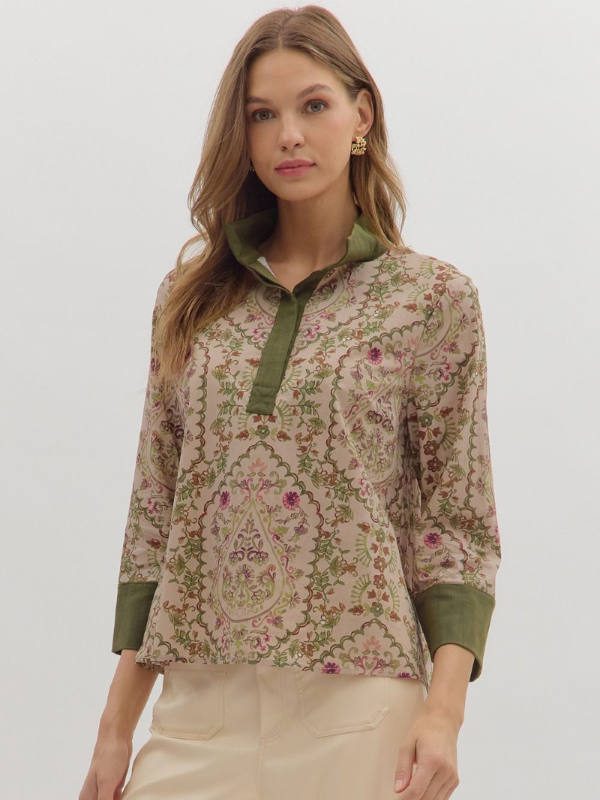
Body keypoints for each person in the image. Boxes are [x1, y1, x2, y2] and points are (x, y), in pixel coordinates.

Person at [79, 5, 501, 800]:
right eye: (262, 116)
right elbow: (154, 519)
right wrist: (114, 733)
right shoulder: (192, 300)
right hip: (199, 706)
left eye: (313, 106)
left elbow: (457, 524)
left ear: (360, 117)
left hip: (360, 705)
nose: (289, 136)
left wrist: (443, 715)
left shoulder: (430, 299)